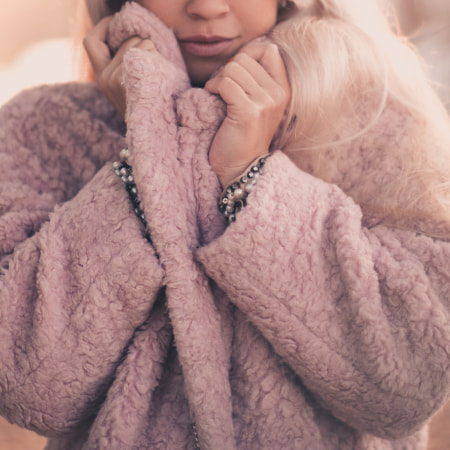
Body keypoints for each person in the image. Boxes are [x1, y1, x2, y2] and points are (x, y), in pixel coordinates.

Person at [1, 0, 450, 448]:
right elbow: (24, 382)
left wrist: (248, 174)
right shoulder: (41, 129)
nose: (208, 7)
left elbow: (409, 381)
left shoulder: (372, 121)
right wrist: (150, 144)